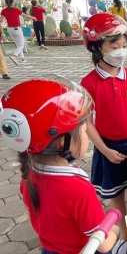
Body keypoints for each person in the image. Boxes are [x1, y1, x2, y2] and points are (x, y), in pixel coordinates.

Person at [0, 79, 119, 253]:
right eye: (85, 131)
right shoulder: (78, 189)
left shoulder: (28, 175)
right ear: (64, 142)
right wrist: (115, 230)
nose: (87, 137)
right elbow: (103, 244)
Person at [81, 13, 127, 254]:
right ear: (96, 47)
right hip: (109, 148)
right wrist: (105, 151)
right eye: (114, 46)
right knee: (116, 197)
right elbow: (87, 123)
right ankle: (125, 237)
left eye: (124, 46)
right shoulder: (89, 83)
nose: (120, 51)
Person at [0, 0, 37, 65]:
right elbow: (25, 15)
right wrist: (33, 17)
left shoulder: (3, 11)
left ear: (6, 3)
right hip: (17, 29)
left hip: (9, 29)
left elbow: (1, 21)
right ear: (12, 2)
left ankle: (23, 58)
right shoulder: (16, 10)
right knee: (21, 45)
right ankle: (14, 56)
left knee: (18, 44)